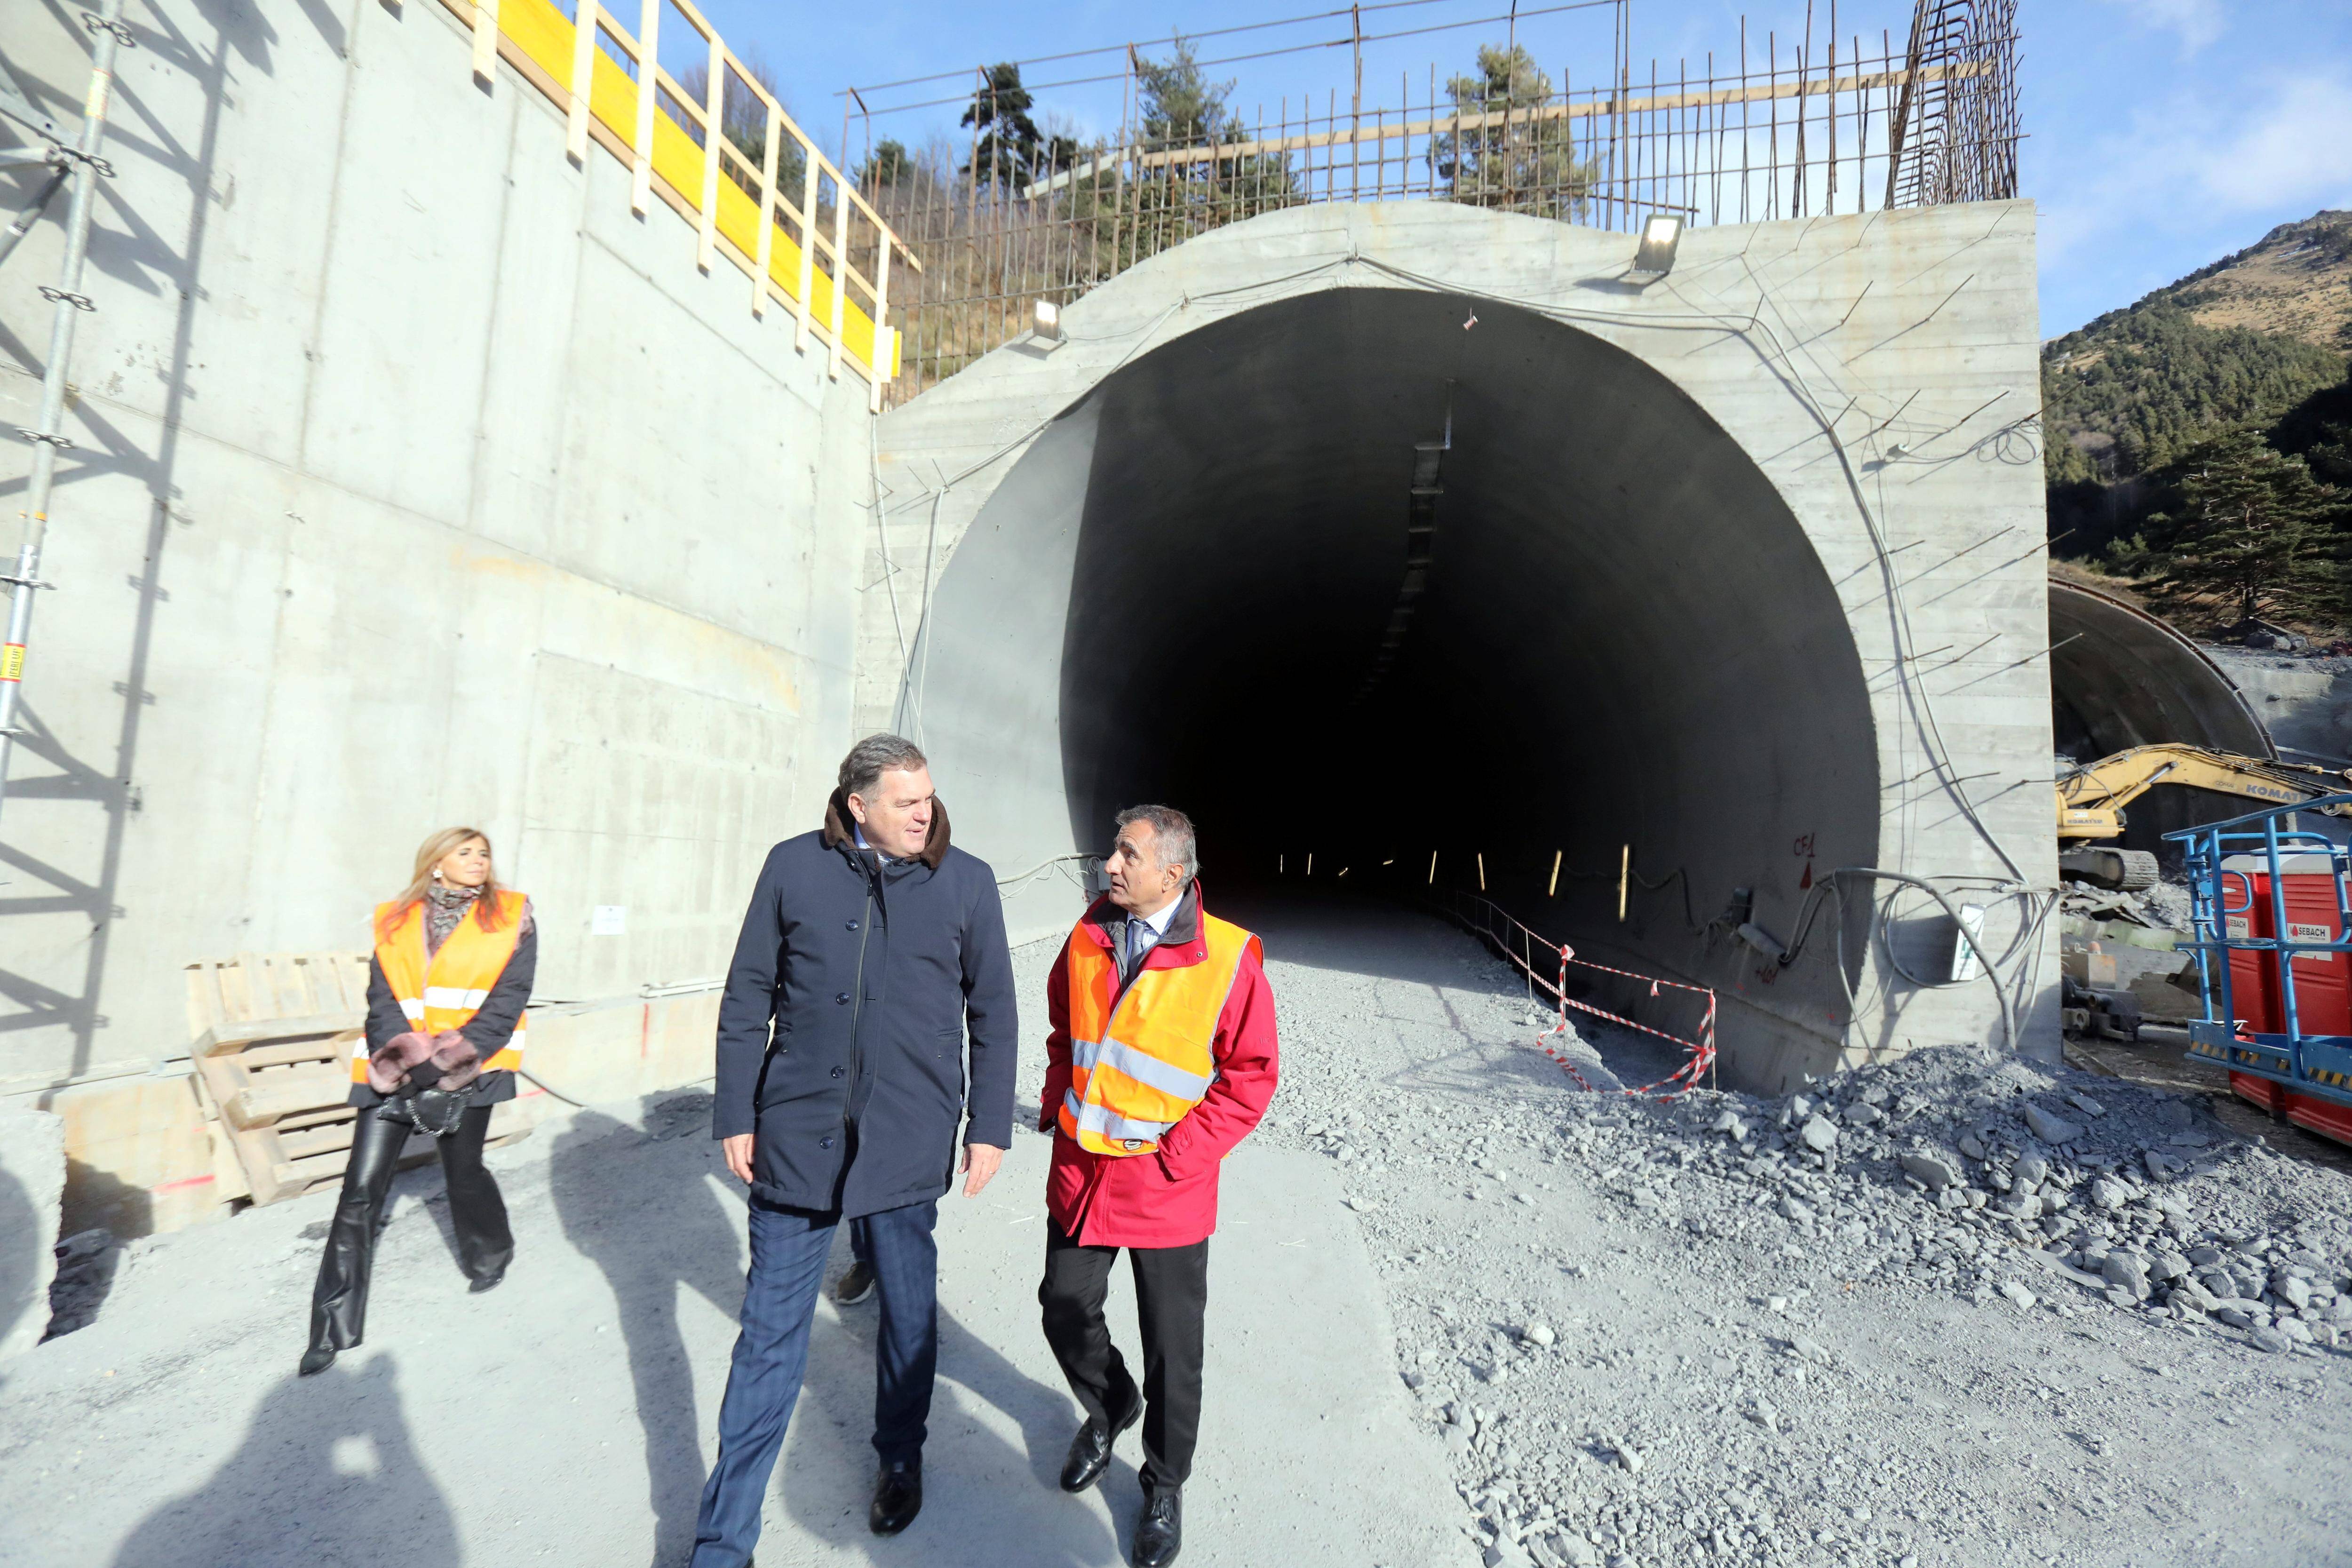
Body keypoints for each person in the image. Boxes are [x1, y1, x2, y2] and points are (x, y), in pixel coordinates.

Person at [693, 734, 1017, 1566]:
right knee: (769, 1335)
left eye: (929, 796)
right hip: (797, 1134)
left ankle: (900, 1454)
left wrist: (987, 1126)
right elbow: (748, 994)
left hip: (908, 1137)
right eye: (906, 800)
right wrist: (737, 1108)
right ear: (856, 803)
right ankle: (724, 1537)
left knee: (909, 1318)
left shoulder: (967, 881)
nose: (925, 812)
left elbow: (994, 1013)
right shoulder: (793, 867)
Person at [1037, 805, 1279, 1568]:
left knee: (1174, 1347)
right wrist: (1055, 1099)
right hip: (1083, 1170)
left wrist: (1182, 1156)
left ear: (1173, 873)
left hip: (1166, 1183)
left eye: (1128, 854)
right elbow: (1061, 1025)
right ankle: (1112, 1404)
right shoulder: (1087, 934)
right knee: (1064, 1303)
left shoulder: (1230, 956)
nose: (1111, 864)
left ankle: (1165, 1480)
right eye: (1115, 849)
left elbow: (1251, 1077)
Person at [301, 827, 533, 1377]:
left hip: (471, 1068)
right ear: (436, 864)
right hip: (393, 1066)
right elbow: (381, 997)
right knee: (360, 1188)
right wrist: (408, 1057)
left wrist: (446, 1062)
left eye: (483, 854)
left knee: (464, 1174)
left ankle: (490, 1254)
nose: (478, 861)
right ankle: (331, 1327)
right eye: (465, 853)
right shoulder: (394, 918)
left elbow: (509, 999)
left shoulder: (512, 915)